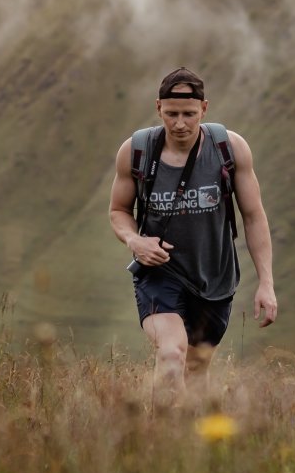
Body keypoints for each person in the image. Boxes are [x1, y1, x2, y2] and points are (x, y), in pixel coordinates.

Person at [109, 67, 278, 392]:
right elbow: (118, 211)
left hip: (214, 278)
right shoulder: (136, 152)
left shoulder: (230, 150)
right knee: (172, 355)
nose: (180, 123)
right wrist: (135, 240)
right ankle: (160, 439)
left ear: (204, 108)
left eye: (189, 114)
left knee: (195, 373)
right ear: (159, 108)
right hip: (160, 274)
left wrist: (266, 284)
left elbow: (254, 216)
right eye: (171, 114)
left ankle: (184, 438)